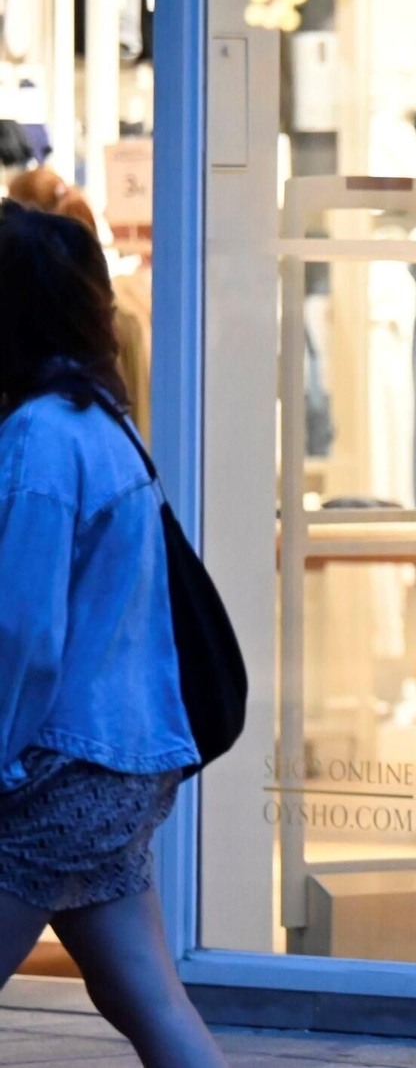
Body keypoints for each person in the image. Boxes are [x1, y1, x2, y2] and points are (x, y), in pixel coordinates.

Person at [0, 201, 228, 1066]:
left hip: (62, 770)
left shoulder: (40, 439)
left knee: (147, 996)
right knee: (146, 997)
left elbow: (21, 634)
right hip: (127, 764)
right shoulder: (102, 422)